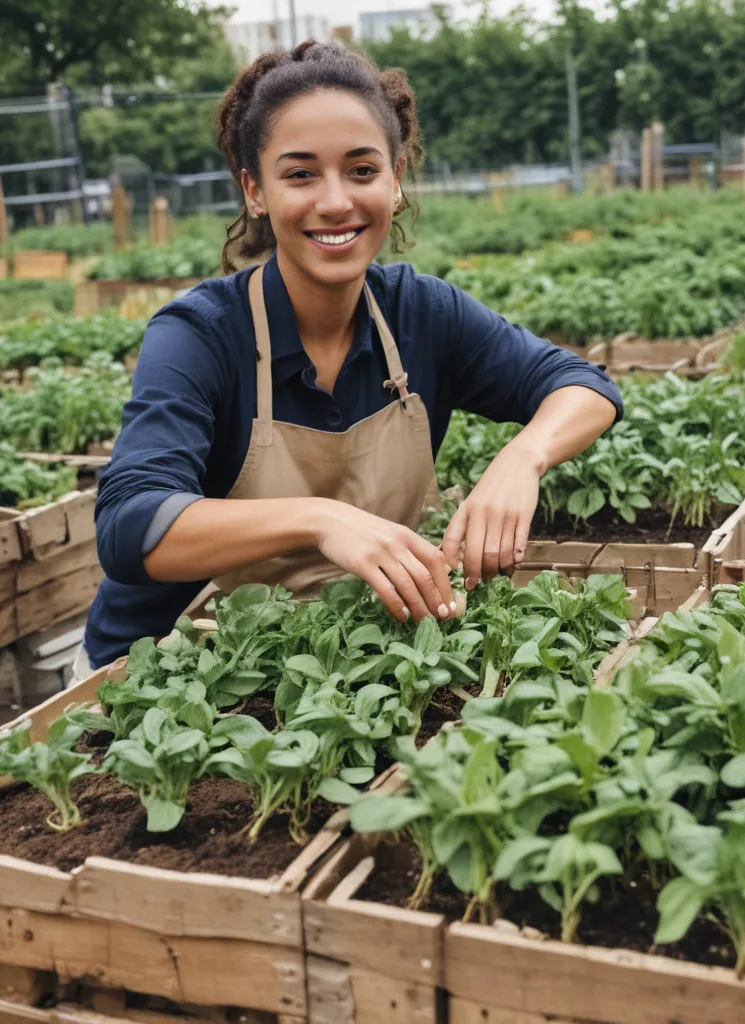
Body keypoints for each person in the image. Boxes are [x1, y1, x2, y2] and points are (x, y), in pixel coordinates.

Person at [77, 41, 621, 676]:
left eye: (362, 171)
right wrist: (321, 520)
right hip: (169, 680)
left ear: (395, 181)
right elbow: (128, 525)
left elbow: (582, 384)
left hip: (346, 665)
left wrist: (524, 457)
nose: (335, 201)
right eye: (301, 174)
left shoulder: (421, 313)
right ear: (255, 191)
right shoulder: (200, 335)